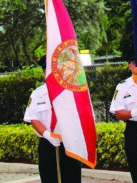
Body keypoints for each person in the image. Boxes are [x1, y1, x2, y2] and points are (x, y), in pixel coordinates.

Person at [24, 55, 82, 183]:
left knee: (72, 179)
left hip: (70, 144)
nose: (49, 72)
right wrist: (47, 134)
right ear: (44, 71)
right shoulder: (37, 94)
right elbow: (33, 118)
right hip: (48, 144)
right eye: (46, 69)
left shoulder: (72, 92)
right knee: (49, 178)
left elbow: (81, 116)